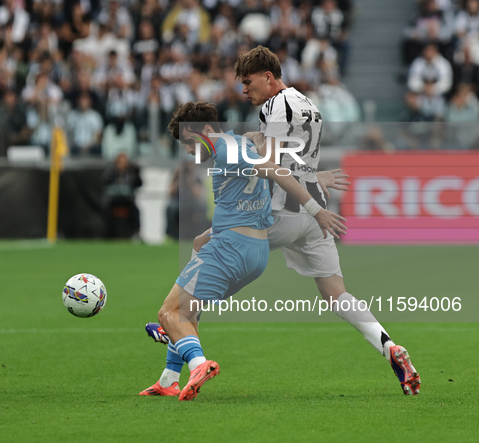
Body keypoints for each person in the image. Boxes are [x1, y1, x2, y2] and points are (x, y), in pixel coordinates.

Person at [148, 46, 420, 396]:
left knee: (204, 247)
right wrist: (315, 180)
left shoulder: (274, 107)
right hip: (312, 209)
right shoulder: (309, 104)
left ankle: (176, 331)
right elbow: (296, 159)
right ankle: (388, 346)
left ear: (268, 77)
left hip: (283, 211)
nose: (244, 90)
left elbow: (273, 165)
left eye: (248, 83)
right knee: (336, 293)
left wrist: (308, 202)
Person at [140, 102, 347, 400]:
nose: (188, 151)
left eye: (189, 142)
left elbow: (275, 171)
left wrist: (315, 209)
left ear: (207, 131)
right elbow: (262, 147)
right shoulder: (238, 143)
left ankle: (198, 364)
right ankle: (170, 379)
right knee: (189, 303)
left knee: (168, 312)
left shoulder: (228, 150)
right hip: (253, 251)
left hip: (230, 249)